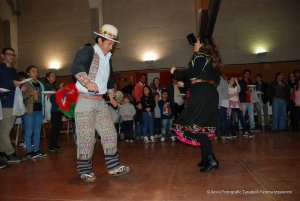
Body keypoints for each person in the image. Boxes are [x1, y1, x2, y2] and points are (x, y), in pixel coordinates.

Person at [71, 24, 130, 182]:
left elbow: (109, 80)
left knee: (110, 134)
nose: (111, 47)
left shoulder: (108, 58)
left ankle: (113, 167)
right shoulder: (88, 50)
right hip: (85, 101)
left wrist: (111, 97)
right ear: (100, 40)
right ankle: (85, 171)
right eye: (109, 43)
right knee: (87, 138)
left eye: (113, 44)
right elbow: (77, 66)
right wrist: (87, 81)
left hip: (100, 102)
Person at [170, 37, 221, 172]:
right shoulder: (211, 60)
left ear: (202, 44)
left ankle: (211, 159)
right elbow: (208, 79)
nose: (194, 44)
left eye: (197, 42)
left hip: (202, 96)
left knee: (195, 126)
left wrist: (176, 72)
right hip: (208, 94)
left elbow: (193, 73)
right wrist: (186, 84)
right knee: (200, 127)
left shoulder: (200, 56)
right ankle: (206, 158)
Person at [0, 47, 22, 164]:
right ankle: (10, 153)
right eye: (9, 54)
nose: (12, 57)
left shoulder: (14, 71)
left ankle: (3, 153)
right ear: (3, 55)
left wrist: (21, 86)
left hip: (14, 102)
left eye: (13, 55)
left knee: (6, 130)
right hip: (4, 102)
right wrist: (12, 83)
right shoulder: (0, 68)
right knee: (4, 131)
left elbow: (16, 85)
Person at [22, 65, 47, 159]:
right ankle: (29, 152)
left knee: (37, 131)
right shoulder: (25, 84)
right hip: (29, 110)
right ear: (28, 73)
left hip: (39, 110)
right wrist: (30, 93)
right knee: (29, 131)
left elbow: (41, 96)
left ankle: (36, 150)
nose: (35, 73)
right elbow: (21, 97)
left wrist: (43, 95)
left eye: (36, 71)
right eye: (33, 71)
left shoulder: (40, 84)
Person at [44, 71, 64, 151]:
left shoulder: (54, 86)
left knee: (58, 126)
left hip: (58, 109)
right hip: (52, 109)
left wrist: (61, 90)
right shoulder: (47, 86)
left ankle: (54, 144)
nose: (54, 77)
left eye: (54, 76)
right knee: (56, 127)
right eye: (52, 76)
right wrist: (60, 89)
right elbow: (52, 98)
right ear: (48, 78)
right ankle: (51, 146)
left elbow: (58, 95)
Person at [217, 72, 229, 139]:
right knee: (223, 119)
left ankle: (216, 134)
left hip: (220, 101)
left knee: (218, 119)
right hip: (225, 101)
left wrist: (218, 103)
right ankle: (223, 134)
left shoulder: (219, 79)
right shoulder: (225, 80)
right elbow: (227, 92)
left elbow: (218, 92)